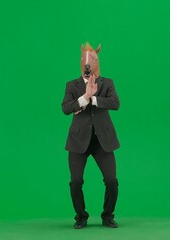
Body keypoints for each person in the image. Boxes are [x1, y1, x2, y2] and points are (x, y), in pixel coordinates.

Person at [62, 42, 120, 229]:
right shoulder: (72, 85)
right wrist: (84, 98)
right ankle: (81, 216)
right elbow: (65, 108)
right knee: (76, 181)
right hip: (79, 141)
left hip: (102, 141)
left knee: (111, 181)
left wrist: (94, 98)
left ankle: (108, 215)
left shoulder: (107, 83)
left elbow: (115, 103)